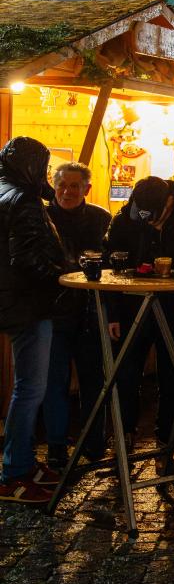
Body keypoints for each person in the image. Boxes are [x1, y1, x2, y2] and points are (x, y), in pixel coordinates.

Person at [105, 176, 174, 452]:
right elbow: (111, 269)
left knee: (173, 376)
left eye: (151, 215)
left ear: (169, 202)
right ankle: (124, 434)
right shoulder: (125, 218)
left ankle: (167, 439)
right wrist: (112, 313)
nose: (145, 221)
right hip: (132, 309)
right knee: (126, 374)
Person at [0, 138, 66, 505]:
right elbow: (26, 259)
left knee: (26, 388)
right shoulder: (22, 198)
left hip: (12, 302)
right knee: (30, 389)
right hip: (28, 305)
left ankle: (21, 461)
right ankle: (14, 472)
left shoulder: (5, 190)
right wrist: (61, 277)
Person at [43, 162, 111, 469]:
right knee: (54, 383)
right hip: (53, 313)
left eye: (74, 186)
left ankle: (94, 443)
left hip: (91, 312)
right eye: (62, 185)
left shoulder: (101, 219)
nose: (67, 191)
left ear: (87, 188)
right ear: (53, 186)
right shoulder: (41, 218)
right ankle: (56, 447)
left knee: (93, 381)